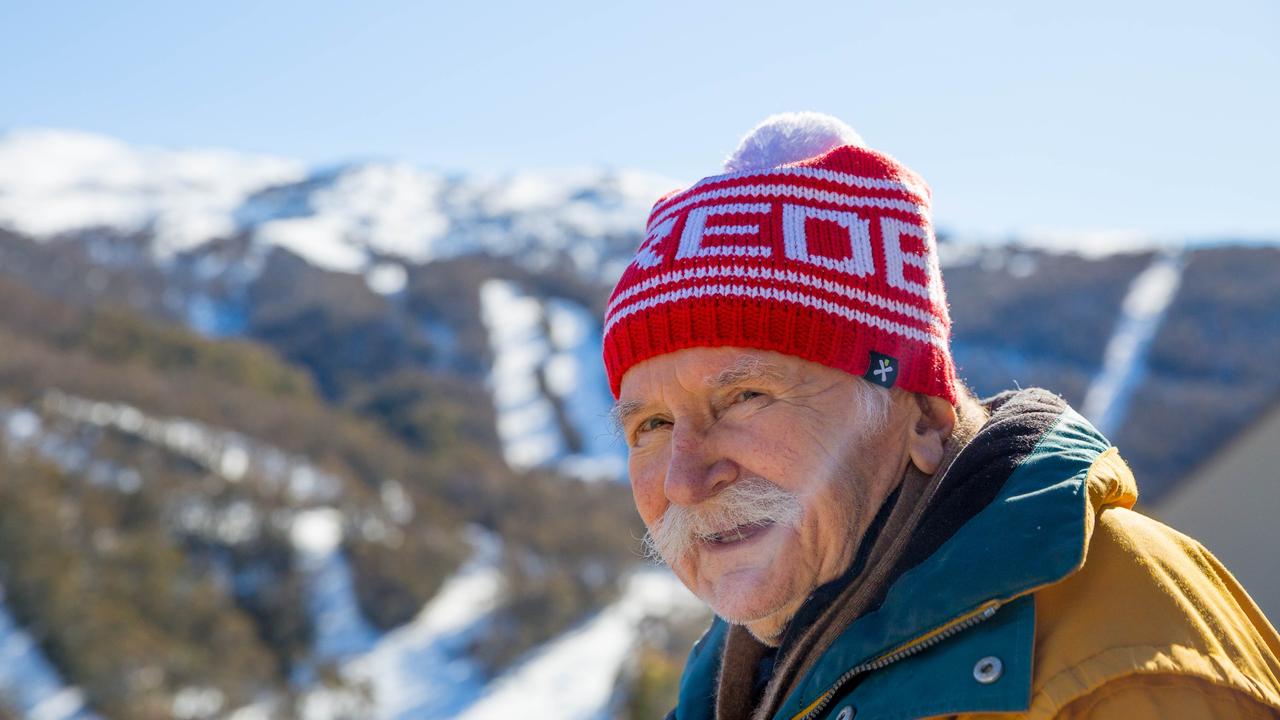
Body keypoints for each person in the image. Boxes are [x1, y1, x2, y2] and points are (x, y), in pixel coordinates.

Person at [602, 113, 1280, 719]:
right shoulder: (755, 671)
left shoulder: (1115, 670)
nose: (684, 481)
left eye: (744, 397)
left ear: (923, 415)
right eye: (651, 427)